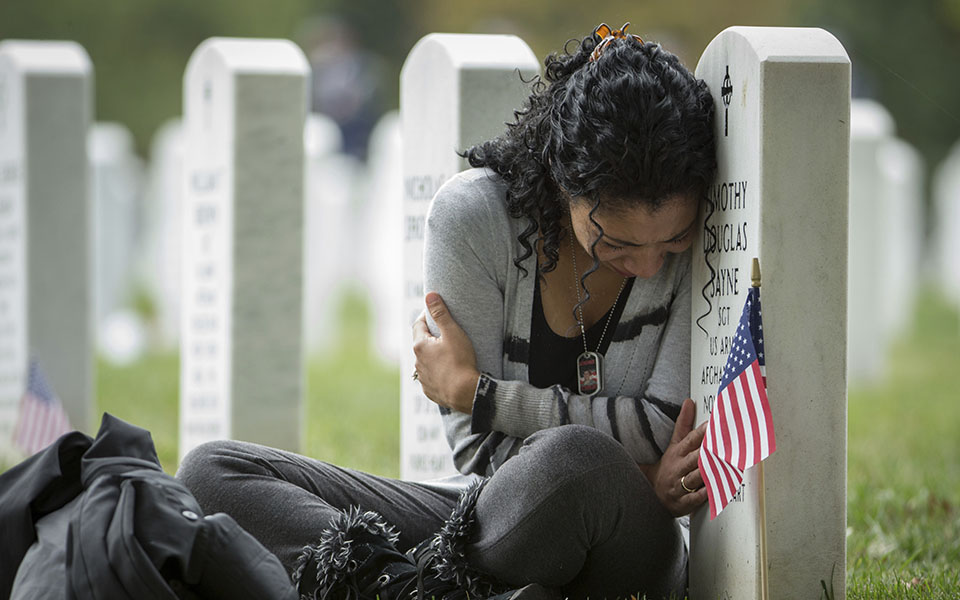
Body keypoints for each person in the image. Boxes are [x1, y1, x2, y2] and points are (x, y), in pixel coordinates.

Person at [177, 22, 716, 600]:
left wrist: (482, 394)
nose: (650, 266)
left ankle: (402, 583)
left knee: (579, 464)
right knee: (213, 474)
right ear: (565, 183)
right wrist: (641, 468)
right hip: (485, 514)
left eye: (673, 240)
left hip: (623, 534)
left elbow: (662, 426)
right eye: (617, 242)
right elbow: (477, 450)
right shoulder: (473, 219)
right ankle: (429, 590)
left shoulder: (704, 234)